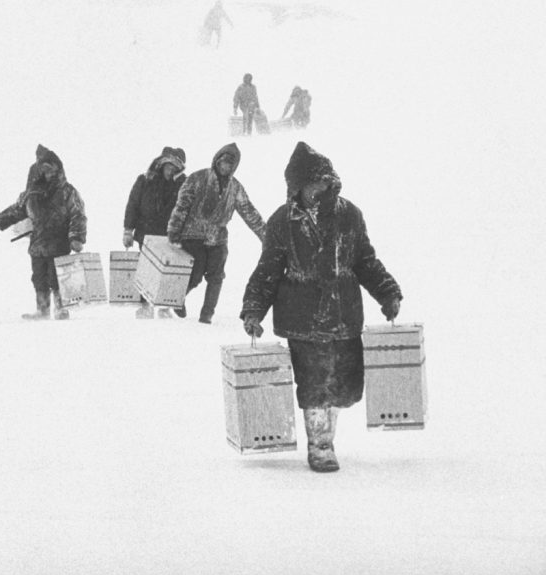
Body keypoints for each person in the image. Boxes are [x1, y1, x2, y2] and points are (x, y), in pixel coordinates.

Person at [239, 142, 402, 473]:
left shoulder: (350, 215)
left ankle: (327, 432)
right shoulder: (282, 221)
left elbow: (366, 261)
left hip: (344, 315)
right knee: (314, 383)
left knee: (345, 387)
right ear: (297, 186)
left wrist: (387, 293)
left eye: (325, 182)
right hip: (302, 317)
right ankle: (321, 445)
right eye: (313, 183)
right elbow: (267, 271)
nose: (320, 189)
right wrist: (254, 310)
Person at [167, 142, 265, 324]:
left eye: (230, 164)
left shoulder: (235, 188)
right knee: (195, 275)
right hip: (193, 235)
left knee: (216, 277)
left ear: (234, 166)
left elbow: (250, 213)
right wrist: (174, 231)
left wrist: (267, 237)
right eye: (223, 162)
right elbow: (181, 207)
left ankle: (207, 315)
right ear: (217, 161)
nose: (225, 166)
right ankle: (178, 298)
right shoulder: (197, 178)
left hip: (218, 238)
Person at [0, 145, 87, 321]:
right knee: (39, 279)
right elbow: (17, 210)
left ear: (58, 169)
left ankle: (60, 309)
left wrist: (76, 237)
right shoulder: (32, 193)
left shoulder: (68, 191)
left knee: (57, 278)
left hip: (59, 243)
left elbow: (78, 215)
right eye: (43, 170)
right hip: (38, 244)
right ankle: (42, 310)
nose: (47, 173)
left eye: (50, 169)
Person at [122, 146, 187, 318]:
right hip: (147, 232)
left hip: (170, 234)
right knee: (147, 270)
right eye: (168, 166)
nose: (170, 170)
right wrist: (128, 230)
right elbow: (133, 205)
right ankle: (145, 305)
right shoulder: (144, 180)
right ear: (161, 165)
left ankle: (165, 306)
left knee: (169, 269)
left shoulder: (183, 185)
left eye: (174, 168)